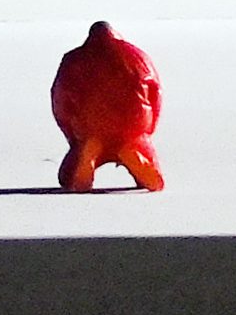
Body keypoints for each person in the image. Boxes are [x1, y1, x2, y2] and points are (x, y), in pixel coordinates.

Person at [52, 20, 164, 193]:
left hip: (89, 126)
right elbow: (155, 93)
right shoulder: (138, 56)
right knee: (142, 150)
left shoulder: (73, 60)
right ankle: (134, 154)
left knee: (66, 177)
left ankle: (89, 152)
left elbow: (60, 98)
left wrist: (73, 136)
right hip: (133, 124)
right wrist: (147, 130)